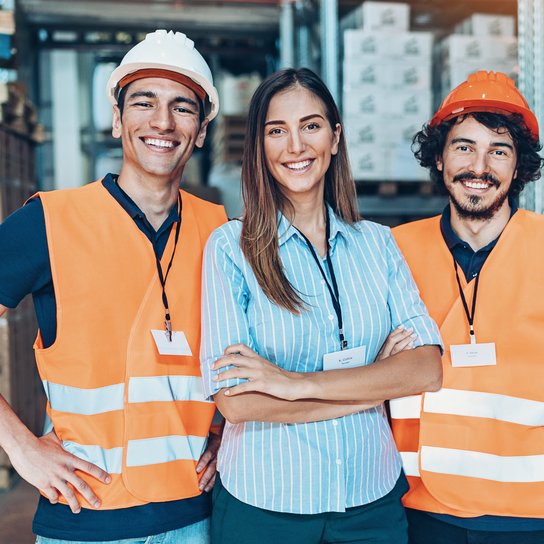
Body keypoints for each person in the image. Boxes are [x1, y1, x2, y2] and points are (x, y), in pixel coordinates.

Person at [0, 30, 226, 543]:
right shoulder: (51, 222)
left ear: (202, 128)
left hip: (196, 520)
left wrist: (226, 432)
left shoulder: (221, 233)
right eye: (144, 102)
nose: (162, 122)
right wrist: (20, 447)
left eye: (182, 107)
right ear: (117, 117)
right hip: (85, 521)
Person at [200, 67, 442, 544]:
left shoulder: (378, 244)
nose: (295, 146)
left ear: (335, 138)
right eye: (277, 131)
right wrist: (374, 386)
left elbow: (426, 369)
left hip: (371, 503)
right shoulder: (230, 248)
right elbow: (237, 402)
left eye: (310, 126)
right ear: (260, 147)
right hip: (266, 506)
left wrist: (291, 384)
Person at [387, 70, 544, 543]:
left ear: (518, 167)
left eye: (499, 150)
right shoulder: (391, 252)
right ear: (438, 157)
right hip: (419, 511)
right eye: (464, 147)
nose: (480, 166)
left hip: (529, 514)